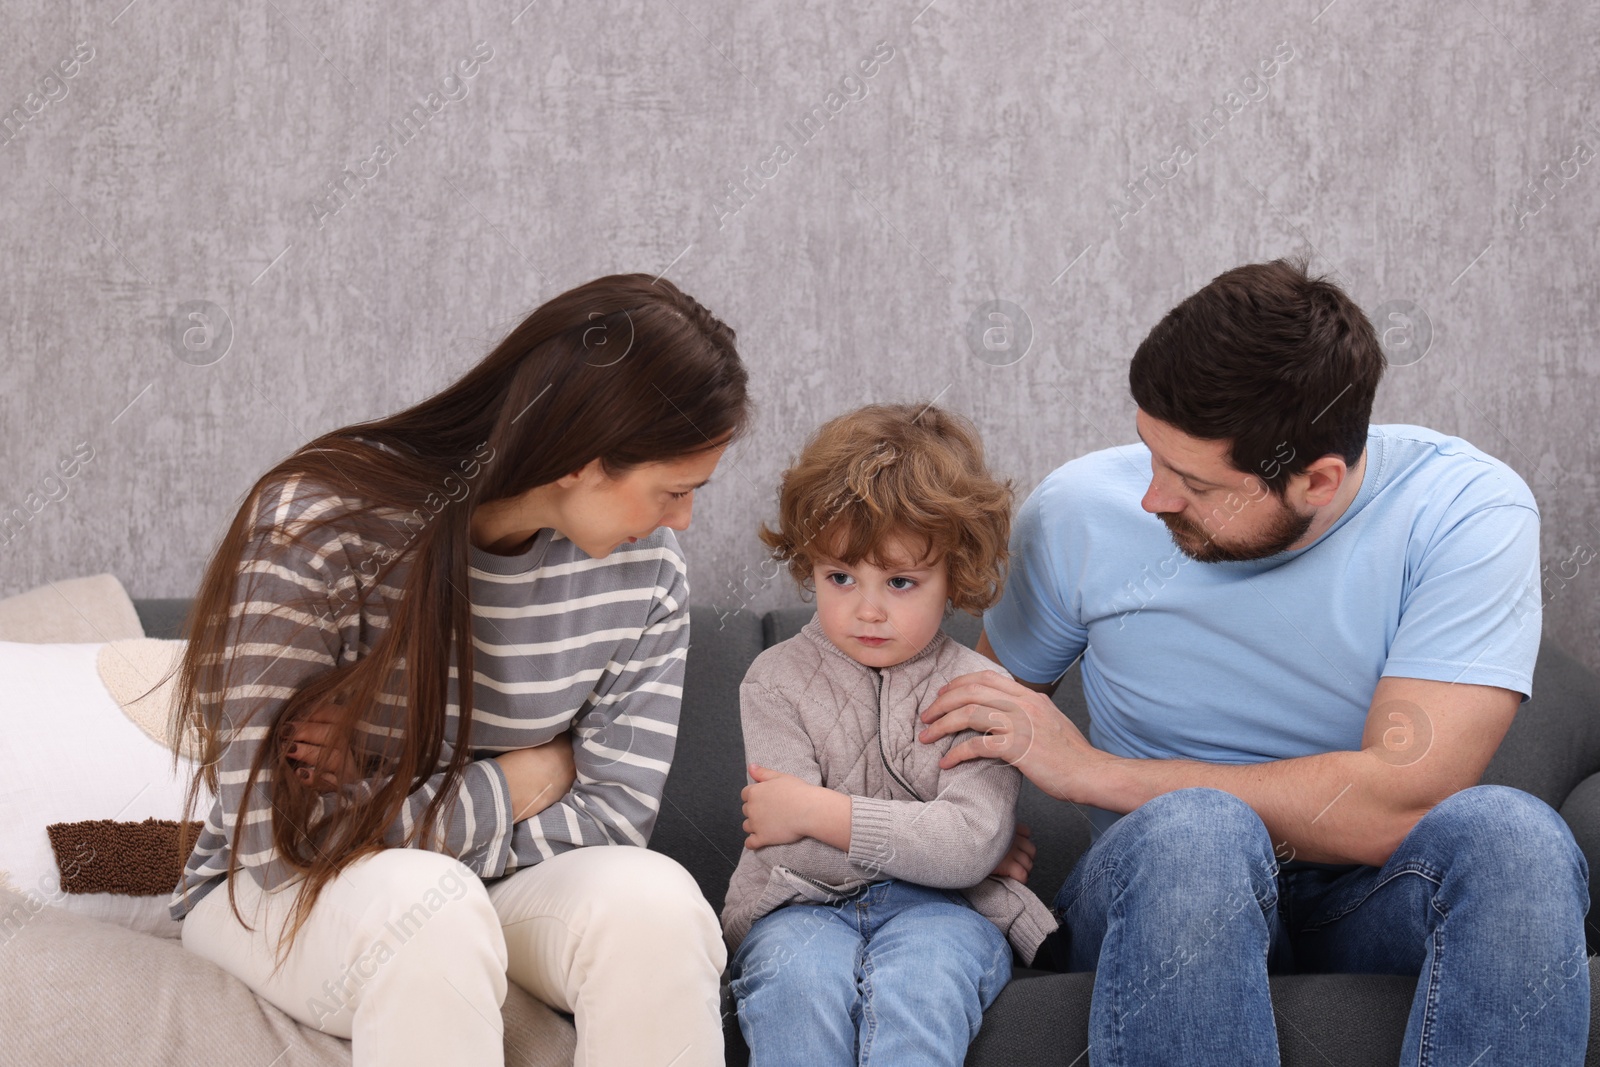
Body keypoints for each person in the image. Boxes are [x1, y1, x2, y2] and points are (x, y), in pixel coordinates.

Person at [919, 258, 1591, 1065]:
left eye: (1195, 482)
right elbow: (961, 728)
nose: (1152, 498)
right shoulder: (1077, 512)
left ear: (1318, 480)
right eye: (1150, 454)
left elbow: (1398, 806)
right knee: (1198, 832)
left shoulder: (1465, 510)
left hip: (1369, 898)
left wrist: (1096, 771)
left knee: (1517, 836)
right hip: (1165, 886)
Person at [169, 273, 751, 1067]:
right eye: (672, 490)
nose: (682, 520)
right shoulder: (324, 525)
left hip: (488, 887)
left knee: (658, 906)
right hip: (274, 894)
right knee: (431, 909)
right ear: (581, 458)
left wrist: (381, 805)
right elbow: (282, 833)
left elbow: (615, 817)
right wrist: (523, 779)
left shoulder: (647, 571)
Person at [721, 402, 1057, 1067]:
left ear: (954, 576)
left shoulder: (984, 690)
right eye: (840, 576)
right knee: (798, 984)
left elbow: (963, 847)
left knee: (922, 987)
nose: (867, 609)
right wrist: (952, 853)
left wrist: (823, 811)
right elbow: (792, 858)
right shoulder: (775, 679)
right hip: (798, 909)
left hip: (949, 916)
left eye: (901, 581)